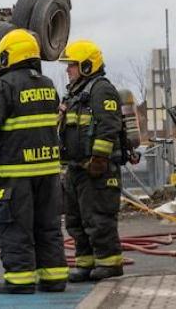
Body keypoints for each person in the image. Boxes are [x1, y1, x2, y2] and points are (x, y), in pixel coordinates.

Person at [0, 29, 68, 294]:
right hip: (47, 171)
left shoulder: (3, 87)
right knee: (48, 226)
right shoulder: (47, 85)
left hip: (13, 172)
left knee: (13, 226)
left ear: (9, 55)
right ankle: (54, 278)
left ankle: (20, 280)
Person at [58, 40, 136, 282]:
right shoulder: (74, 93)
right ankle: (86, 263)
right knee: (76, 220)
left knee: (98, 218)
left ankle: (110, 263)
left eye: (72, 65)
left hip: (97, 169)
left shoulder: (101, 90)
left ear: (87, 65)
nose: (68, 69)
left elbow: (109, 126)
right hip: (76, 168)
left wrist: (99, 158)